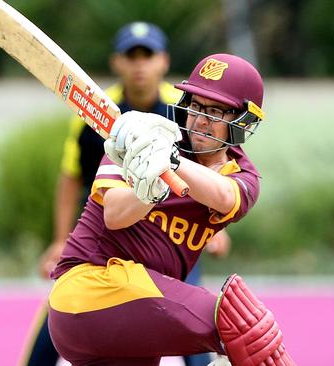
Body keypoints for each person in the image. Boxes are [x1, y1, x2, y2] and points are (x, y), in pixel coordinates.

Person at [47, 53, 296, 366]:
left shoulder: (240, 176)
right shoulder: (139, 143)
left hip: (133, 318)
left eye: (216, 111)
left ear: (241, 123)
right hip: (89, 289)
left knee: (245, 328)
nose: (201, 119)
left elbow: (223, 196)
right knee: (240, 321)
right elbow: (114, 214)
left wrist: (170, 163)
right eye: (196, 106)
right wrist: (147, 191)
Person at [22, 22, 228, 366]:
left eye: (147, 55)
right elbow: (71, 178)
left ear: (163, 61)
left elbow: (213, 169)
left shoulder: (181, 112)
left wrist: (219, 229)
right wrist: (60, 241)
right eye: (131, 56)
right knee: (57, 320)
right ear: (117, 63)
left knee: (194, 333)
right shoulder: (94, 115)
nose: (139, 65)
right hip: (106, 239)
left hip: (168, 240)